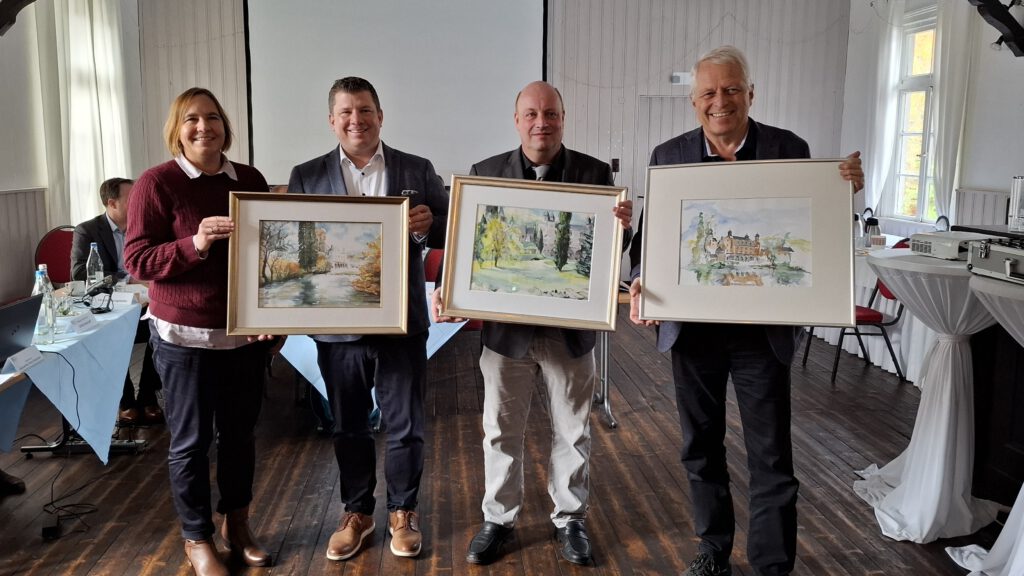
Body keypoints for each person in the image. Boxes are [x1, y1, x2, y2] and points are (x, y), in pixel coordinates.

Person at [628, 46, 864, 576]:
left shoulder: (789, 149)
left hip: (763, 333)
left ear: (751, 94)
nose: (721, 101)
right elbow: (649, 243)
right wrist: (642, 281)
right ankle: (713, 550)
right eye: (709, 92)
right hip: (693, 331)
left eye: (732, 89)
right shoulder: (668, 156)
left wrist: (842, 192)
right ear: (694, 102)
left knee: (771, 454)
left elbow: (813, 228)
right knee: (700, 448)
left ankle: (772, 565)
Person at [432, 80, 633, 566]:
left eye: (551, 114)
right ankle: (498, 519)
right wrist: (448, 287)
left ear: (563, 118)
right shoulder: (485, 175)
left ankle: (570, 518)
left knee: (574, 431)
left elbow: (609, 253)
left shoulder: (594, 174)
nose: (541, 123)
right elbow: (466, 248)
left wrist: (622, 229)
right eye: (531, 114)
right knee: (500, 431)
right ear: (517, 120)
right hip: (507, 336)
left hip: (571, 333)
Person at [288, 76, 448, 562]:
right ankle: (357, 512)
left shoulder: (417, 168)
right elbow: (296, 244)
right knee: (348, 427)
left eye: (365, 110)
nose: (356, 120)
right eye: (346, 112)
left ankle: (403, 510)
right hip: (338, 328)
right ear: (332, 120)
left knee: (406, 425)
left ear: (380, 116)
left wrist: (427, 228)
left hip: (402, 324)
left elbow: (450, 228)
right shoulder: (306, 175)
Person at [124, 87, 275, 576]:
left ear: (225, 126)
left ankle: (237, 525)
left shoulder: (249, 179)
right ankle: (196, 538)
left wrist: (272, 319)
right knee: (190, 444)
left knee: (239, 438)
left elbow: (268, 255)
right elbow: (137, 261)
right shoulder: (156, 183)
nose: (203, 127)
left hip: (243, 339)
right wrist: (196, 242)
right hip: (183, 340)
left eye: (212, 117)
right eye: (191, 118)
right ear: (177, 129)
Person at [71, 177, 163, 425]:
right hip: (109, 306)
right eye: (132, 199)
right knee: (107, 338)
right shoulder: (87, 230)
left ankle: (148, 397)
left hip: (144, 304)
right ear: (112, 203)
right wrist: (128, 278)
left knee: (161, 330)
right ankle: (126, 401)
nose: (139, 203)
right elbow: (79, 273)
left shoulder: (146, 227)